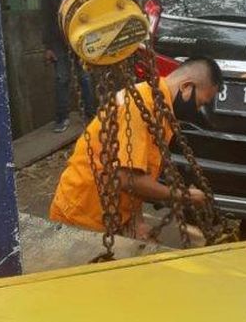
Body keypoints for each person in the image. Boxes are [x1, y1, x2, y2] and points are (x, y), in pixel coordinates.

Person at [49, 56, 222, 240]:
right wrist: (184, 195)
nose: (198, 109)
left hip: (107, 216)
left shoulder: (160, 108)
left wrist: (136, 221)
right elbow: (127, 178)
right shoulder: (142, 107)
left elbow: (137, 169)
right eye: (201, 103)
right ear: (186, 86)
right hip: (81, 215)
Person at [41, 0, 95, 132]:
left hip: (80, 39)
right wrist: (48, 47)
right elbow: (46, 20)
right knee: (61, 78)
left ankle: (91, 115)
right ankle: (62, 118)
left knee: (85, 78)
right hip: (58, 41)